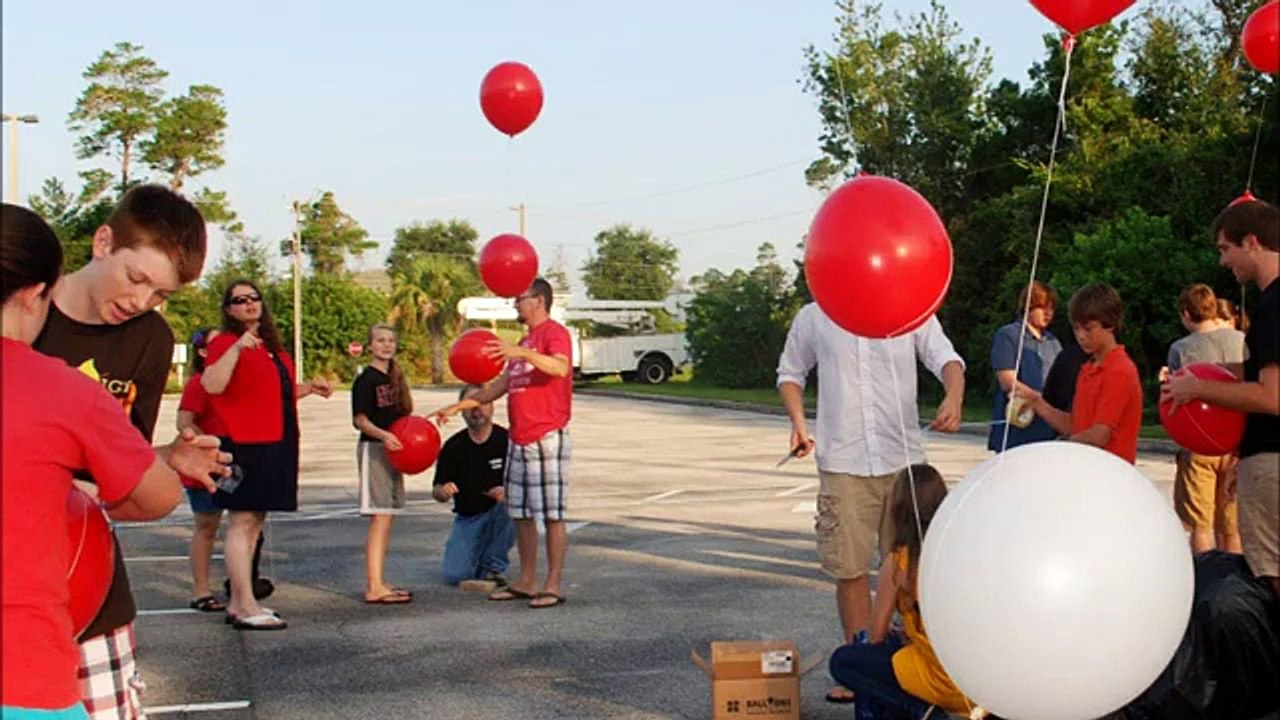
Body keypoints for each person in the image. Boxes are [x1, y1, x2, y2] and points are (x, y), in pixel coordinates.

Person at [2, 203, 228, 720]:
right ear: (102, 242)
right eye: (136, 279)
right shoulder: (26, 311)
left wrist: (170, 458)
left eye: (162, 294)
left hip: (83, 569)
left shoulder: (148, 339)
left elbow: (126, 463)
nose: (141, 300)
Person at [776, 303, 965, 703]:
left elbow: (946, 358)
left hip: (904, 461)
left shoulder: (908, 305)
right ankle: (859, 670)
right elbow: (790, 373)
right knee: (850, 568)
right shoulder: (815, 315)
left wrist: (955, 394)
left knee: (915, 567)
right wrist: (798, 424)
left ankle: (931, 664)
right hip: (843, 460)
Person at [431, 278, 573, 609]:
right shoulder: (524, 341)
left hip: (547, 436)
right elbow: (499, 386)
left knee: (552, 514)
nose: (515, 305)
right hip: (520, 438)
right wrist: (458, 406)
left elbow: (560, 367)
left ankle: (552, 584)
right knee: (520, 512)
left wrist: (522, 351)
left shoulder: (554, 334)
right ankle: (526, 580)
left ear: (539, 300)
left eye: (520, 299)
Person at [1165, 199, 1279, 597]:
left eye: (1224, 249)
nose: (1222, 262)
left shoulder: (1273, 305)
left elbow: (1271, 396)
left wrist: (1194, 388)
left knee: (1272, 574)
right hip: (1260, 458)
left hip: (1272, 465)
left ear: (1251, 242)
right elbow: (1259, 372)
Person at [202, 280, 333, 629]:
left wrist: (308, 389)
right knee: (241, 520)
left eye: (253, 298)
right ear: (229, 309)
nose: (248, 304)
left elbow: (273, 395)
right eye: (239, 300)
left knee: (255, 522)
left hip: (276, 440)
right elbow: (211, 384)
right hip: (244, 443)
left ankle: (242, 600)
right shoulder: (226, 343)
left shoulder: (273, 348)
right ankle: (243, 603)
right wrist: (235, 350)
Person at [828, 465, 966, 719]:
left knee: (843, 661)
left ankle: (921, 711)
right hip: (975, 677)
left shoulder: (899, 560)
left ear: (897, 508)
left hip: (939, 677)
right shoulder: (959, 549)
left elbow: (877, 633)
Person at [1163, 283, 1246, 554]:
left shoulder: (1180, 349)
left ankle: (1206, 578)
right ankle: (1233, 583)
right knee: (1231, 524)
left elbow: (1174, 395)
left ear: (1186, 313)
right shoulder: (1239, 340)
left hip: (1198, 442)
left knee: (1201, 524)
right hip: (1236, 442)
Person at [1030, 283, 1143, 464]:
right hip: (1085, 470)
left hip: (1110, 474)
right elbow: (1076, 425)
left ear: (1111, 325)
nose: (1081, 336)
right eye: (1076, 328)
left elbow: (1099, 435)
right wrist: (1037, 403)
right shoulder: (1088, 368)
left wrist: (1060, 446)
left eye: (1089, 328)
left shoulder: (1119, 370)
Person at [351, 324, 414, 604]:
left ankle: (379, 580)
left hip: (394, 451)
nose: (386, 345)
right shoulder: (366, 380)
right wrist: (385, 435)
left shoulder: (394, 379)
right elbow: (360, 420)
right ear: (370, 346)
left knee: (388, 516)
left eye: (390, 340)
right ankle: (373, 586)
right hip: (374, 449)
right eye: (380, 340)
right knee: (379, 516)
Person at [434, 384, 516, 588]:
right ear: (462, 411)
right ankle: (478, 557)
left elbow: (525, 484)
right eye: (470, 405)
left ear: (493, 407)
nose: (477, 410)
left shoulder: (507, 440)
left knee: (514, 502)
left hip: (500, 513)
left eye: (483, 403)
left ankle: (494, 567)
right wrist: (443, 492)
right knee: (455, 575)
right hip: (468, 518)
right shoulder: (454, 446)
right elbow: (436, 490)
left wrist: (507, 491)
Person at [988, 280, 1062, 452]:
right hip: (1016, 429)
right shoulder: (1008, 335)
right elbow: (1007, 380)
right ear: (1028, 306)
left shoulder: (1053, 342)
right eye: (1042, 307)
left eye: (1051, 308)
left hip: (1046, 431)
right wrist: (1037, 399)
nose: (1048, 313)